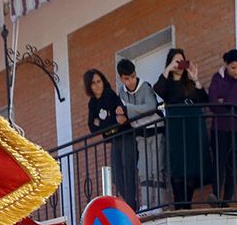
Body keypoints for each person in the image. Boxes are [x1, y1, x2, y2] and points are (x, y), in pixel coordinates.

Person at [154, 47, 208, 208]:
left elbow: (204, 101)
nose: (179, 64)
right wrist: (168, 69)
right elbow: (158, 90)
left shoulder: (189, 83)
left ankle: (187, 204)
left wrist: (196, 79)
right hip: (176, 131)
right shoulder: (167, 84)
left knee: (191, 167)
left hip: (192, 130)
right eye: (175, 61)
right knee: (177, 166)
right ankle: (179, 204)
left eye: (181, 61)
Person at [206, 49, 237, 204]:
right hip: (219, 129)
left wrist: (225, 101)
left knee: (233, 164)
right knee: (218, 163)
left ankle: (227, 199)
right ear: (226, 65)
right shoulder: (217, 78)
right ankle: (216, 196)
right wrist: (234, 103)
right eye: (233, 68)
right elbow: (212, 103)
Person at [118, 58, 165, 209]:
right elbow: (123, 115)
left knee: (156, 167)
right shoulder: (121, 92)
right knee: (144, 169)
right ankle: (146, 205)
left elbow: (151, 107)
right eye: (127, 78)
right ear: (121, 79)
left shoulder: (145, 86)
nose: (131, 81)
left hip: (156, 129)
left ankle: (158, 204)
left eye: (133, 76)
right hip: (140, 133)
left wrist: (128, 108)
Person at [85, 68, 135, 208]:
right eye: (93, 83)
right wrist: (109, 122)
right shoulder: (93, 103)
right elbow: (92, 127)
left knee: (128, 169)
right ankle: (131, 205)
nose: (97, 85)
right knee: (116, 175)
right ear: (89, 87)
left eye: (99, 81)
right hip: (113, 139)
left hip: (125, 135)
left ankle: (132, 206)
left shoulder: (110, 94)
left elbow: (120, 119)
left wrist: (103, 122)